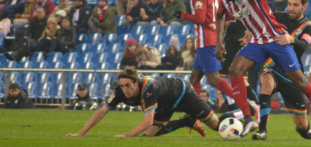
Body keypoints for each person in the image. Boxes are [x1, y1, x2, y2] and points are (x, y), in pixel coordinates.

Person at [215, 0, 311, 140]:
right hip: (258, 44)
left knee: (301, 85)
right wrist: (221, 40)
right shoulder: (227, 0)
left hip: (276, 41)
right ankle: (251, 121)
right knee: (235, 70)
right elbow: (223, 15)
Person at [66, 68, 235, 137]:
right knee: (150, 134)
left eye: (128, 86)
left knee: (216, 126)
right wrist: (80, 134)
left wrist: (125, 136)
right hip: (164, 102)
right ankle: (187, 121)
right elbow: (101, 111)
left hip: (182, 93)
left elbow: (146, 121)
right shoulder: (119, 92)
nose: (125, 90)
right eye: (122, 86)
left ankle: (242, 118)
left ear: (136, 82)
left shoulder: (148, 87)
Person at [252, 0, 311, 140]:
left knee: (302, 124)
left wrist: (291, 40)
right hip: (272, 65)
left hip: (292, 74)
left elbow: (304, 45)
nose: (291, 8)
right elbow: (258, 20)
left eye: (296, 5)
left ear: (304, 7)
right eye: (289, 4)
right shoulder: (278, 17)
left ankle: (305, 131)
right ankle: (262, 130)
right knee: (266, 83)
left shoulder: (309, 26)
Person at [175, 0, 237, 107]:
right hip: (211, 41)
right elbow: (227, 16)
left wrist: (183, 15)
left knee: (213, 79)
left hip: (206, 42)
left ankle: (244, 103)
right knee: (195, 78)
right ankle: (195, 112)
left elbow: (200, 19)